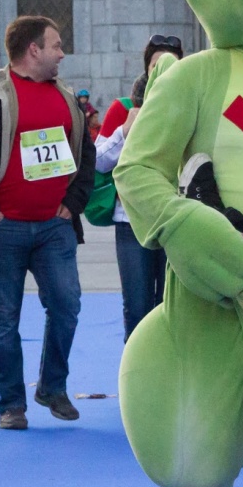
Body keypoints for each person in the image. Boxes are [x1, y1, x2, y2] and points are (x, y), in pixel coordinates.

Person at [0, 15, 96, 430]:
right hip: (2, 229)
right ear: (34, 50)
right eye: (56, 45)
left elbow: (85, 154)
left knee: (67, 304)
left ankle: (52, 386)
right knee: (3, 318)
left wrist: (73, 203)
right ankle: (11, 404)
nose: (62, 53)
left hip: (54, 227)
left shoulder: (67, 98)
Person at [95, 58, 171, 341]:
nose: (162, 69)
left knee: (170, 306)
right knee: (137, 306)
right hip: (131, 222)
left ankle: (169, 376)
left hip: (172, 221)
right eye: (156, 63)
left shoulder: (189, 106)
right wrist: (126, 130)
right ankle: (136, 375)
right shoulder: (124, 109)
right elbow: (99, 161)